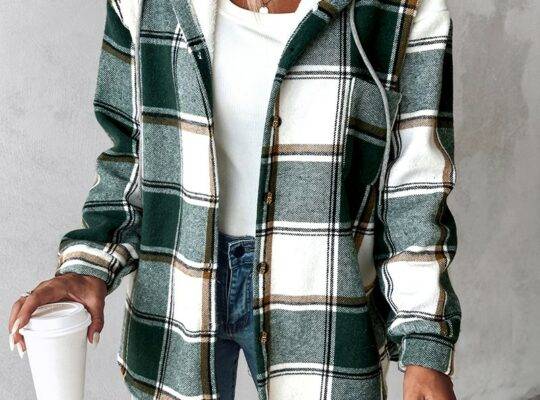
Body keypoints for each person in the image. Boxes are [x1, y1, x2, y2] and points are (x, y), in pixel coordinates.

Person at [8, 0, 461, 398]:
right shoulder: (142, 5)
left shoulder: (402, 11)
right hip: (179, 285)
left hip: (323, 295)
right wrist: (87, 268)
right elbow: (131, 156)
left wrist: (425, 345)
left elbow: (415, 193)